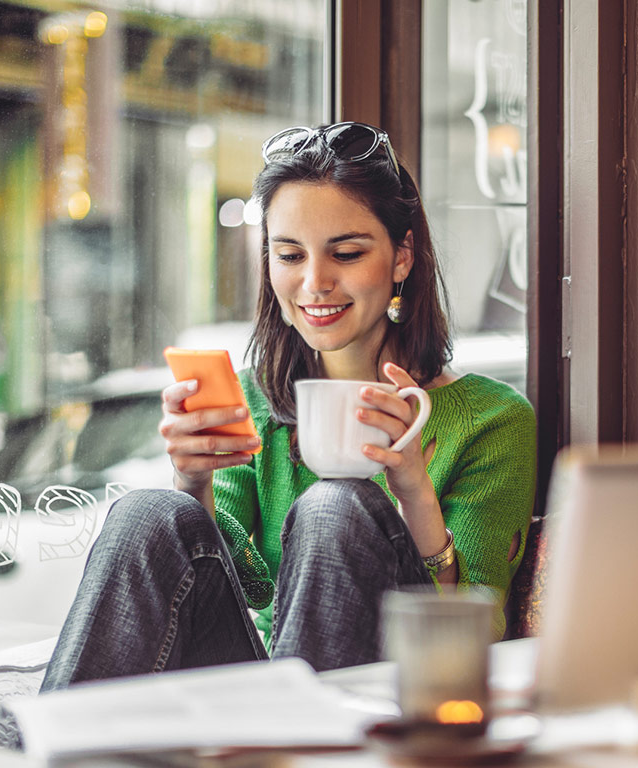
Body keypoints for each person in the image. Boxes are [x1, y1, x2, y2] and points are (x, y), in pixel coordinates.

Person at [38, 122, 536, 689]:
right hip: (265, 686)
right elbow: (244, 586)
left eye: (346, 253)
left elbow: (471, 634)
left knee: (336, 505)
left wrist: (414, 490)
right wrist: (192, 483)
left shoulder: (493, 420)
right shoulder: (254, 398)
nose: (315, 283)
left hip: (393, 689)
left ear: (402, 257)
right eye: (290, 254)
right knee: (148, 510)